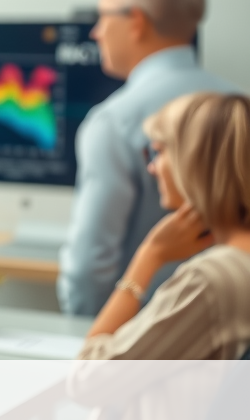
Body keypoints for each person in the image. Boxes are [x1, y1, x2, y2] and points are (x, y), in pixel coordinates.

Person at [58, 0, 238, 316]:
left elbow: (88, 269)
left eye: (103, 16)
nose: (96, 31)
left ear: (135, 21)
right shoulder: (240, 107)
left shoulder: (115, 121)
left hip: (139, 343)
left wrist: (89, 342)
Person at [77, 92, 250, 358]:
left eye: (158, 151)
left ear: (195, 161)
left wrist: (150, 255)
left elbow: (88, 376)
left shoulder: (209, 280)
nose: (152, 168)